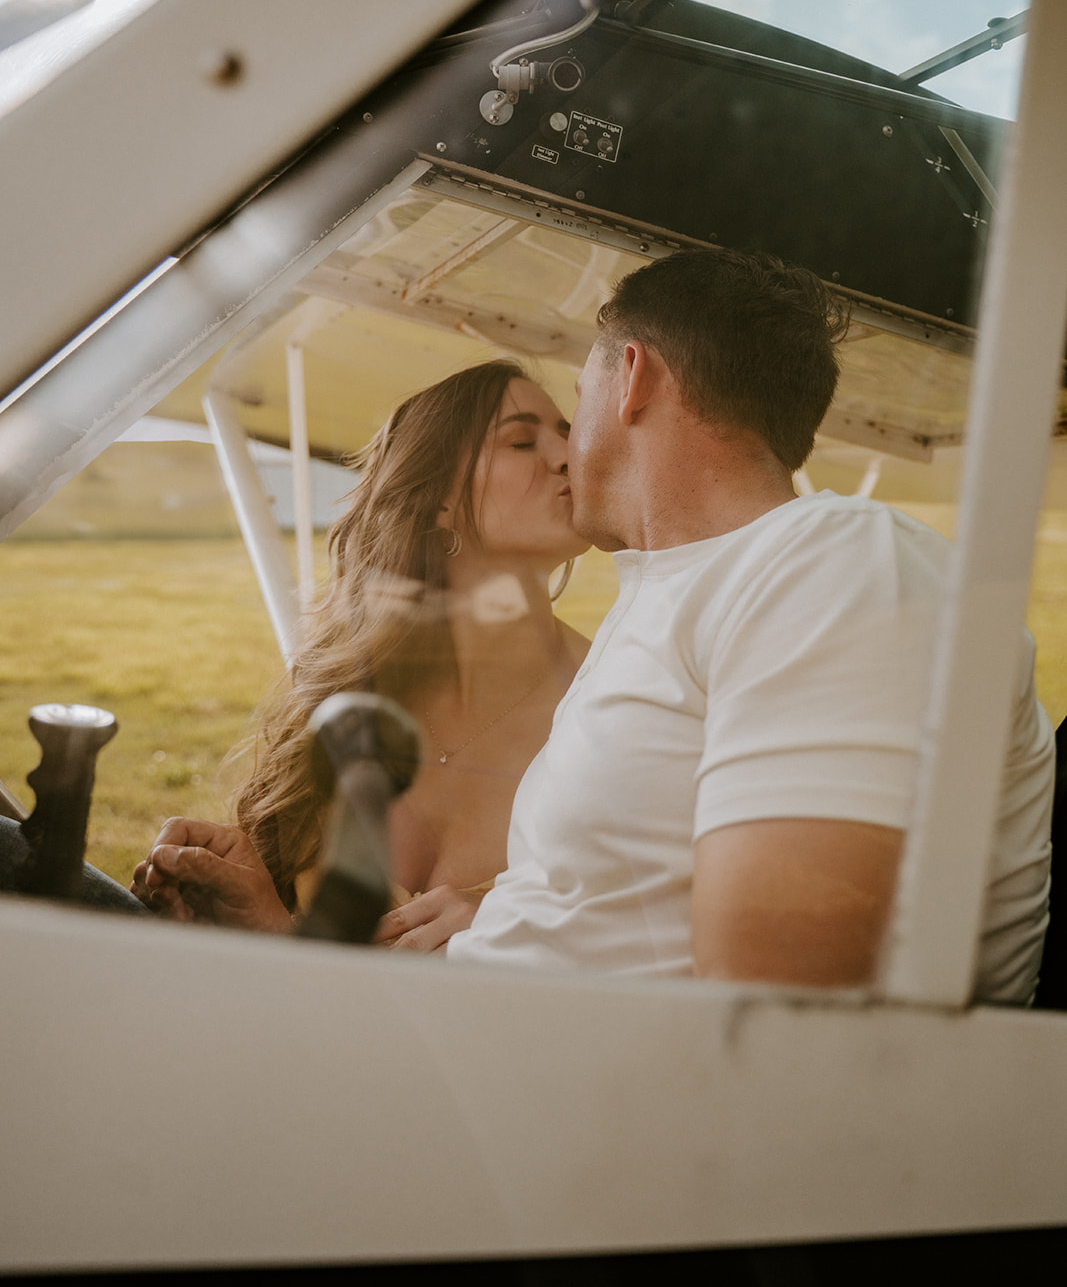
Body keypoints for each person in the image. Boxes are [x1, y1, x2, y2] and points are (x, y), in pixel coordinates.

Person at [447, 248, 1056, 1002]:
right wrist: (498, 922)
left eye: (577, 404)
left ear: (632, 376)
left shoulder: (838, 561)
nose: (567, 448)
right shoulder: (688, 589)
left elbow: (773, 996)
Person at [132, 360, 590, 949]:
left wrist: (512, 923)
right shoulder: (351, 685)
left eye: (568, 433)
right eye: (523, 441)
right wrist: (261, 914)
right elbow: (318, 975)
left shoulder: (605, 699)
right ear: (440, 503)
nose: (567, 455)